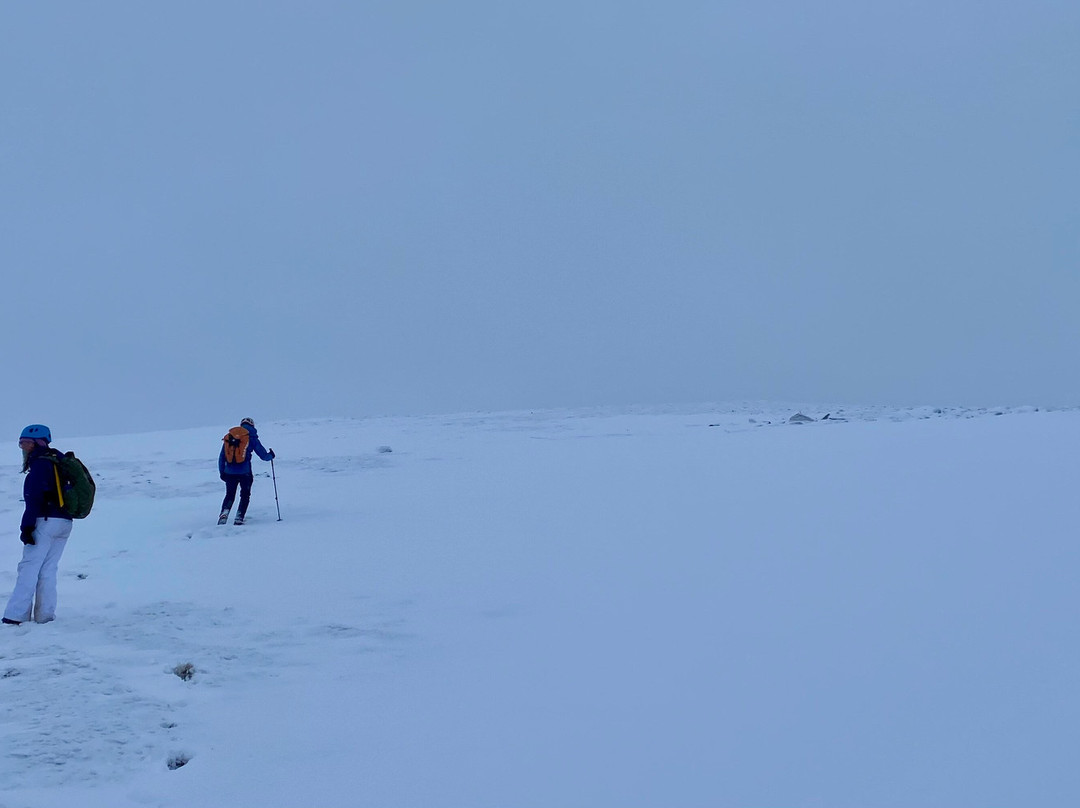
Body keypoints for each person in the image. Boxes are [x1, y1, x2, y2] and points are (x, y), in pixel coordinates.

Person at [3, 425, 74, 625]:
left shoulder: (40, 464)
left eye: (26, 443)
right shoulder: (58, 461)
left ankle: (15, 615)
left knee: (29, 567)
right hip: (64, 522)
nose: (23, 448)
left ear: (39, 443)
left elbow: (33, 498)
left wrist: (26, 527)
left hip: (45, 521)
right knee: (48, 568)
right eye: (20, 443)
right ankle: (45, 615)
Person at [218, 417, 274, 525]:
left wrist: (222, 472)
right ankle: (239, 516)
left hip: (229, 473)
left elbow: (222, 457)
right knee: (245, 494)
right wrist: (270, 456)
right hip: (245, 472)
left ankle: (224, 512)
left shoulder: (230, 437)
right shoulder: (251, 437)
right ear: (252, 425)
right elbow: (263, 455)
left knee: (229, 494)